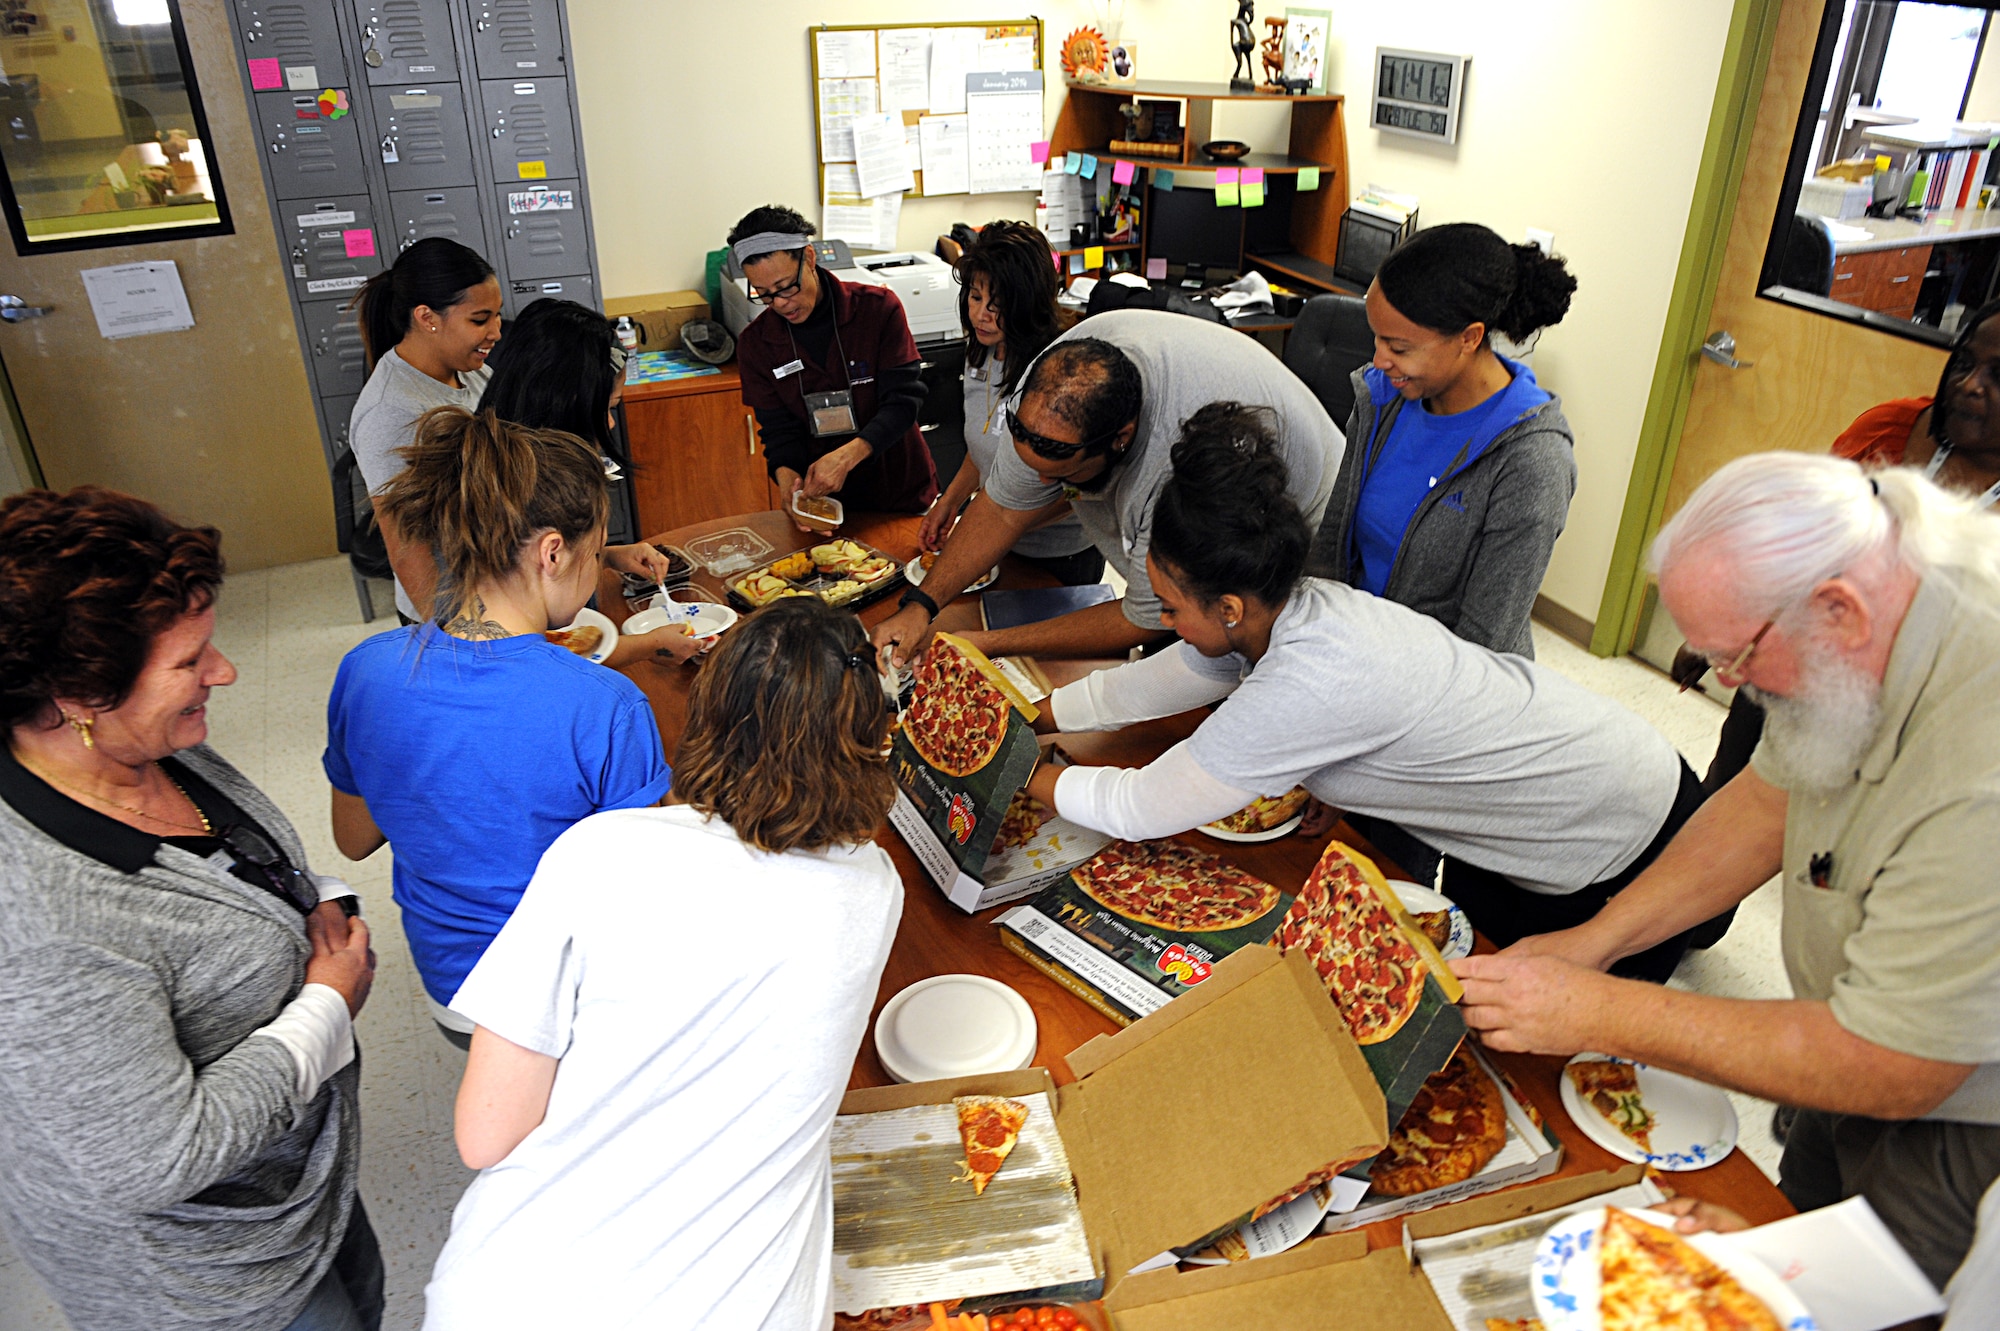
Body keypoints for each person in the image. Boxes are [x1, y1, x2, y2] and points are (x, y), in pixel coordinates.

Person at [1454, 452, 2000, 1286]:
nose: (1730, 683)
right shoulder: (1867, 583)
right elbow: (1766, 800)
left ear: (1838, 611)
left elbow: (1895, 1063)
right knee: (1782, 1248)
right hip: (1852, 1024)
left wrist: (1600, 1009)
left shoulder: (1980, 764)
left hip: (1963, 1113)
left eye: (1737, 659)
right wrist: (1596, 939)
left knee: (1873, 1292)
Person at [1018, 403, 1709, 980]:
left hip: (1630, 833)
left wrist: (1023, 771)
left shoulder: (1304, 679)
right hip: (1563, 793)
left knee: (1553, 1042)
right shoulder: (1287, 607)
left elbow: (1141, 805)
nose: (1161, 623)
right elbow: (1168, 677)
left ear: (1229, 606)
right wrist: (1038, 715)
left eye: (1169, 608)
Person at [422, 598, 902, 1329]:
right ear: (873, 736)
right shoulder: (876, 891)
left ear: (706, 714)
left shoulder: (600, 850)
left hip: (509, 1297)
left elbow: (485, 1132)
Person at [0, 487, 379, 1331]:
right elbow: (156, 1156)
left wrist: (318, 901)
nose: (226, 672)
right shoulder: (38, 916)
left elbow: (227, 860)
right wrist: (326, 1002)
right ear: (77, 694)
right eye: (190, 661)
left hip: (298, 1181)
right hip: (214, 1280)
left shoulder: (146, 745)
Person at [323, 408, 672, 1048]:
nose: (596, 568)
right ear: (552, 551)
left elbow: (354, 837)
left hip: (454, 992)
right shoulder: (605, 704)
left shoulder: (365, 671)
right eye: (596, 552)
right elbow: (641, 897)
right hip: (568, 1000)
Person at [873, 309, 1346, 665]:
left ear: (1120, 440)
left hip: (1307, 521)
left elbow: (1143, 616)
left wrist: (987, 644)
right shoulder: (1050, 396)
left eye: (1059, 477)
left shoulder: (1171, 471)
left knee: (1237, 669)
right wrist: (920, 605)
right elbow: (1001, 510)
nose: (1042, 487)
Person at [1690, 296, 2000, 801]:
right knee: (1727, 794)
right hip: (1792, 662)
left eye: (1998, 375)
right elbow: (1802, 543)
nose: (1969, 384)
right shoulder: (1893, 428)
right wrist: (1723, 638)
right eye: (1964, 363)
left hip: (1908, 721)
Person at [1307, 222, 1579, 659]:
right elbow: (1332, 549)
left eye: (1399, 347)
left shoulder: (1532, 461)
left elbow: (1484, 644)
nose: (1379, 359)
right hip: (1354, 652)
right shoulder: (1382, 399)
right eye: (1376, 338)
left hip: (1442, 690)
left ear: (1469, 338)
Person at [476, 296, 705, 669]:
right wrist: (647, 645)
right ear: (567, 403)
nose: (611, 425)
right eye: (608, 408)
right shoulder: (523, 487)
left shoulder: (498, 454)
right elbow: (552, 652)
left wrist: (610, 556)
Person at [729, 204, 938, 528]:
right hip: (825, 505)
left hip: (900, 493)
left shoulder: (877, 310)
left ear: (809, 259)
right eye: (765, 295)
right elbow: (779, 432)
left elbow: (903, 403)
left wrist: (846, 456)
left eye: (787, 287)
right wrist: (787, 483)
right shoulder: (756, 345)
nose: (781, 303)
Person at [921, 220, 1101, 585]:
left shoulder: (1060, 371)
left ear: (1029, 302)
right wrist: (950, 502)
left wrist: (998, 525)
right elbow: (984, 443)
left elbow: (1077, 489)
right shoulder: (981, 352)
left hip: (1059, 554)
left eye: (998, 304)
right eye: (975, 297)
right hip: (999, 541)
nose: (981, 315)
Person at [349, 237, 504, 622]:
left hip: (494, 587)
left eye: (497, 316)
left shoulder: (472, 373)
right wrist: (454, 635)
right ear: (427, 317)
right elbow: (406, 548)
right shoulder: (391, 412)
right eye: (480, 320)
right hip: (451, 611)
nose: (496, 332)